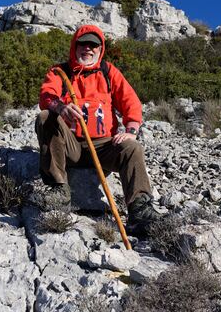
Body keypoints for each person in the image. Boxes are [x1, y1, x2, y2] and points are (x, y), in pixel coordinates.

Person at [35, 24, 160, 235]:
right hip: (71, 145)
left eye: (94, 45)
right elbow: (46, 95)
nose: (88, 49)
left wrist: (131, 128)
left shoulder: (108, 72)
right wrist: (60, 107)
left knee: (132, 148)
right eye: (83, 44)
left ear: (100, 49)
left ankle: (139, 211)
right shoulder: (60, 72)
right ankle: (59, 188)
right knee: (46, 117)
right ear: (75, 46)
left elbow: (130, 102)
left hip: (103, 148)